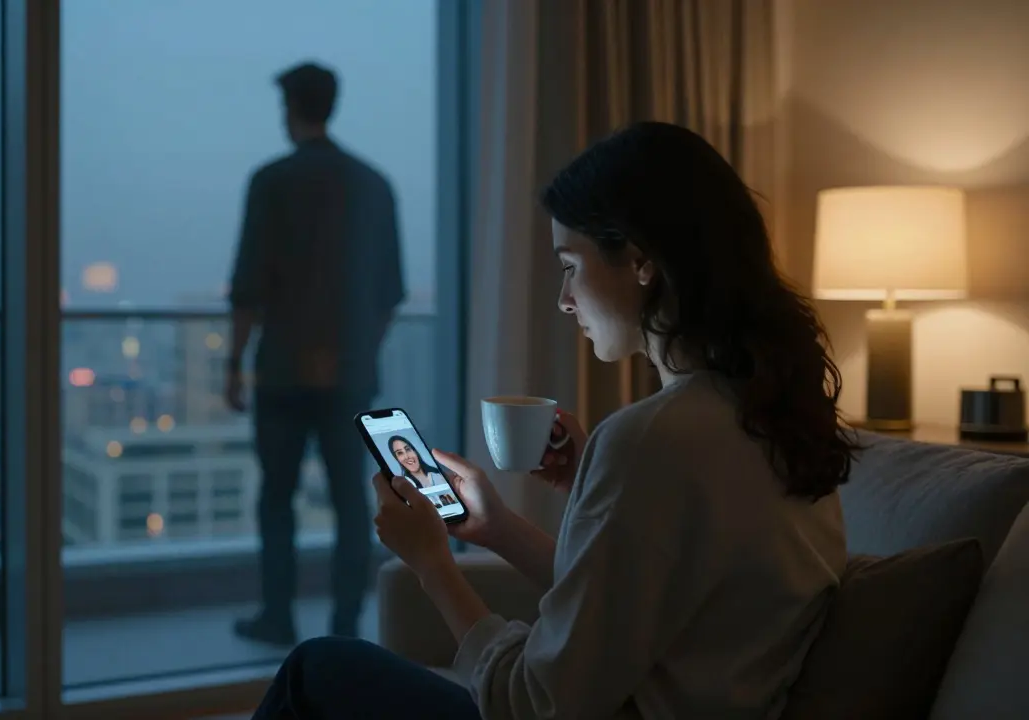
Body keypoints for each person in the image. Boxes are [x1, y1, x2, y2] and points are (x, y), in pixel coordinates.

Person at [251, 121, 856, 719]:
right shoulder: (771, 413)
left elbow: (534, 704)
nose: (565, 299)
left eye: (570, 265)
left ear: (641, 260)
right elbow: (628, 611)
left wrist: (432, 564)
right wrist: (500, 526)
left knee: (318, 668)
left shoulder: (653, 438)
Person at [226, 61, 404, 645]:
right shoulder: (375, 184)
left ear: (290, 109)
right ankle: (347, 625)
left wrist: (233, 363)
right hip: (348, 374)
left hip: (280, 371)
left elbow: (249, 284)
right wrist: (357, 354)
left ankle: (278, 617)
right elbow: (388, 295)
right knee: (351, 502)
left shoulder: (271, 181)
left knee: (276, 499)